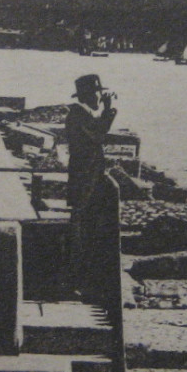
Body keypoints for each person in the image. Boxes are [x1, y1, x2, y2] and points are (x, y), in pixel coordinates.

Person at [65, 73, 118, 298]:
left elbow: (95, 130)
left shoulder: (81, 114)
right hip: (84, 180)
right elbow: (97, 135)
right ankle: (78, 282)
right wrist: (109, 110)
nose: (100, 96)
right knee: (82, 231)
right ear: (89, 95)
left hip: (87, 179)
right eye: (98, 93)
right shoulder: (77, 115)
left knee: (86, 229)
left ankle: (82, 281)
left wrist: (105, 110)